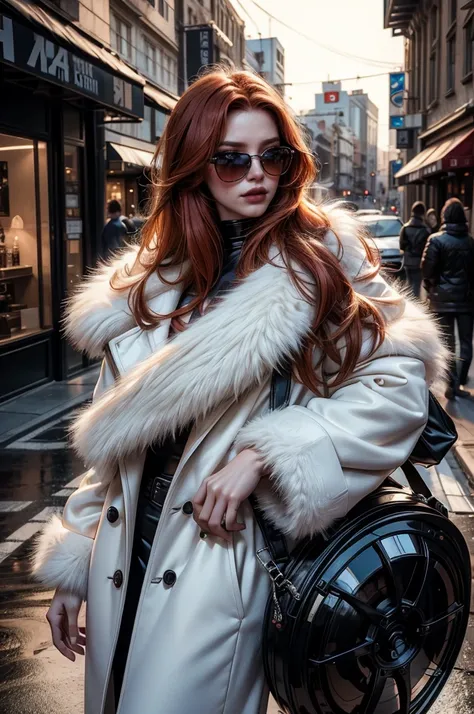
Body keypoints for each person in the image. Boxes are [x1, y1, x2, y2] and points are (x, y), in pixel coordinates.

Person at [32, 69, 447, 714]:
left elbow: (398, 389)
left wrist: (265, 455)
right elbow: (115, 454)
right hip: (123, 557)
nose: (258, 174)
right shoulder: (149, 283)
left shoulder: (324, 264)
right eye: (231, 159)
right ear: (193, 166)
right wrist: (78, 562)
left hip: (222, 561)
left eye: (272, 155)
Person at [422, 197, 474, 399]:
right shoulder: (470, 242)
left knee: (448, 343)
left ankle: (451, 383)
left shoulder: (435, 240)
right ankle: (460, 382)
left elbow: (427, 269)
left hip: (441, 299)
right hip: (466, 301)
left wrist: (431, 286)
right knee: (466, 342)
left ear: (444, 216)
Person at [399, 200, 430, 298]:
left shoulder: (405, 228)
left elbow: (402, 246)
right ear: (423, 213)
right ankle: (415, 305)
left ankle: (409, 303)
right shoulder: (425, 230)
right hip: (419, 262)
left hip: (408, 261)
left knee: (409, 283)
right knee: (417, 284)